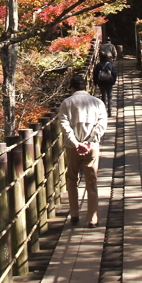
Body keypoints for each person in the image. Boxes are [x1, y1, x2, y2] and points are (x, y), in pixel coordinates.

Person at [57, 74, 108, 227]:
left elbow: (64, 125)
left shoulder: (66, 103)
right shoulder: (98, 102)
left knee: (72, 179)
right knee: (91, 182)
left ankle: (74, 214)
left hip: (73, 148)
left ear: (71, 87)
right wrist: (89, 142)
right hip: (91, 148)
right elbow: (101, 124)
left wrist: (76, 143)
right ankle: (92, 218)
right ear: (85, 86)